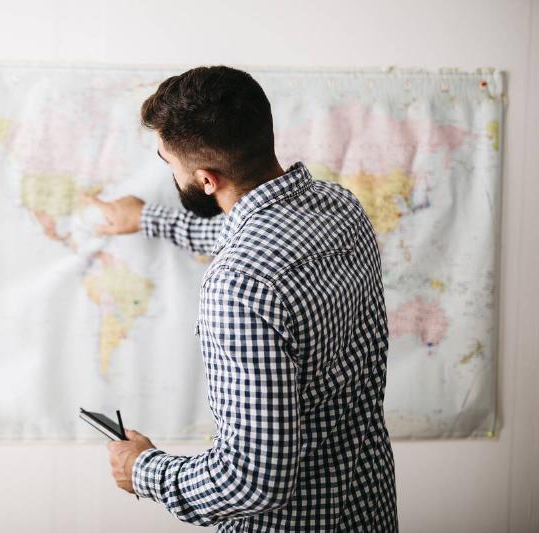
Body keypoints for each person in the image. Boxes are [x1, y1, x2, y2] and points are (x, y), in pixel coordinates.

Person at [88, 65, 398, 532]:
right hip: (367, 509)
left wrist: (142, 470)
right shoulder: (341, 207)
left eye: (167, 162)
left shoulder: (237, 286)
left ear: (207, 179)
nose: (168, 171)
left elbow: (251, 480)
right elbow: (244, 233)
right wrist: (149, 219)